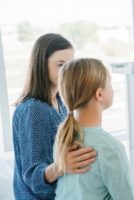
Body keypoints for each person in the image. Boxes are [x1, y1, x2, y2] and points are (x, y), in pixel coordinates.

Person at [12, 33, 97, 200]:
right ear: (41, 66)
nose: (68, 72)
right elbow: (34, 180)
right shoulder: (33, 109)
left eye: (71, 65)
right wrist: (62, 165)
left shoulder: (60, 102)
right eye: (61, 65)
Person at [53, 58, 134, 200]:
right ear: (99, 94)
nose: (112, 89)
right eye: (110, 84)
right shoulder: (111, 149)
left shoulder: (63, 137)